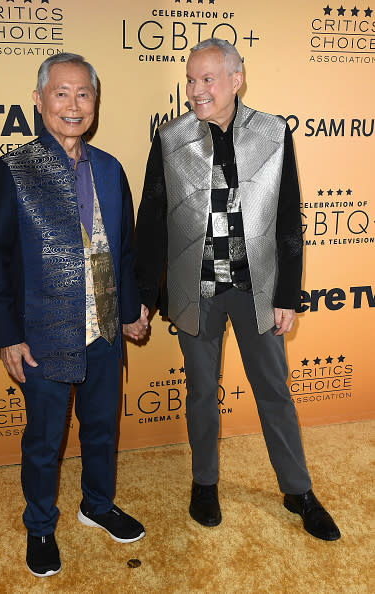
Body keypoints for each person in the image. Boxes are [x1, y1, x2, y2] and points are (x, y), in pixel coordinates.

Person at [135, 38, 340, 541]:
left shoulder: (272, 132)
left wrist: (287, 295)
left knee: (273, 392)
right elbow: (152, 221)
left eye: (207, 79)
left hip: (256, 291)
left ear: (235, 80)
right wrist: (142, 294)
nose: (196, 90)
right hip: (194, 291)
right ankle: (204, 483)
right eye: (190, 79)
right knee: (201, 393)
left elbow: (288, 217)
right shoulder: (170, 138)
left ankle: (298, 490)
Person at [0, 52, 149, 578]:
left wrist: (129, 311)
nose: (73, 106)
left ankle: (97, 505)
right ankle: (40, 526)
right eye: (61, 93)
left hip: (103, 329)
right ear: (39, 100)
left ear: (95, 103)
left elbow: (124, 249)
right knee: (44, 440)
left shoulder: (110, 167)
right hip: (43, 334)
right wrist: (7, 336)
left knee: (101, 429)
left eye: (84, 95)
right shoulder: (12, 169)